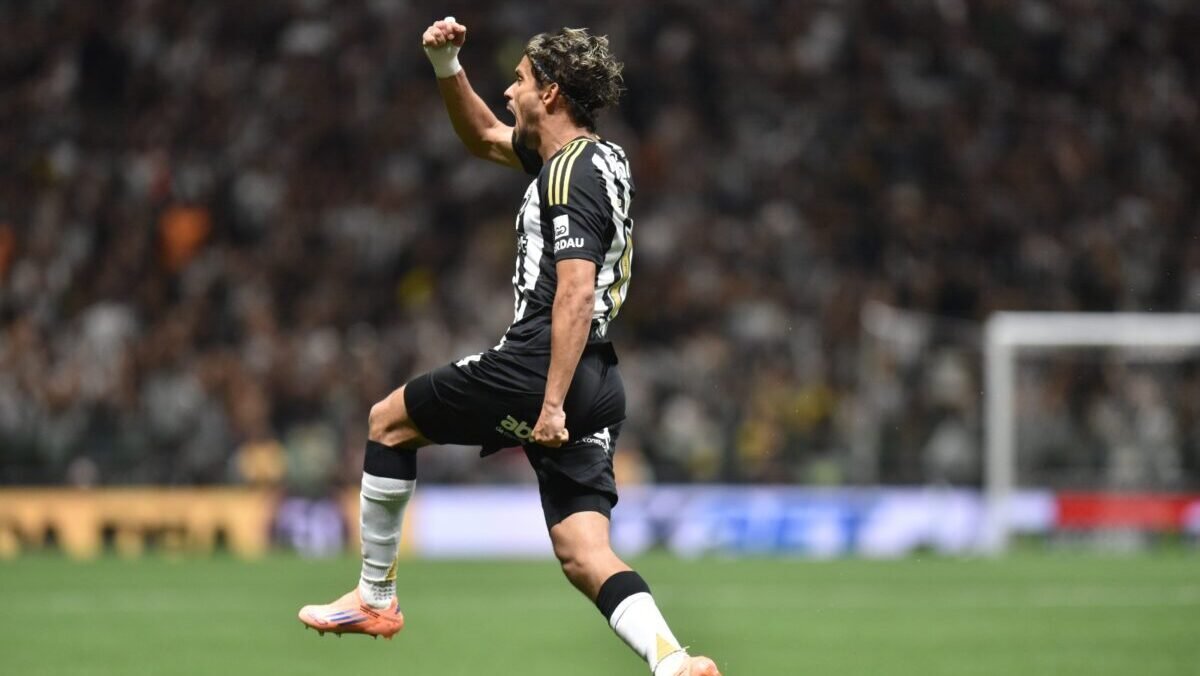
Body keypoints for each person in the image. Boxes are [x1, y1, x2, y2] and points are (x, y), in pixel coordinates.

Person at [297, 17, 721, 676]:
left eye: (519, 81)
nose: (508, 91)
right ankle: (673, 662)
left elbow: (574, 293)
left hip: (541, 363)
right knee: (585, 551)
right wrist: (447, 67)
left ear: (550, 94)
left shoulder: (564, 178)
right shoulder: (595, 159)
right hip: (598, 378)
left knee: (389, 421)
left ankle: (375, 596)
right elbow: (482, 137)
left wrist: (549, 404)